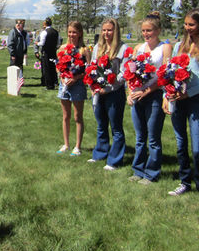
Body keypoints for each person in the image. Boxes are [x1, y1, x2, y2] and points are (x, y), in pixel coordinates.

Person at [164, 9, 199, 203]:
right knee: (181, 143)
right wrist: (167, 95)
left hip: (196, 100)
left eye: (192, 25)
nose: (188, 28)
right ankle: (184, 182)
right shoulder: (180, 46)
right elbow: (169, 73)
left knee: (197, 146)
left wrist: (191, 92)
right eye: (186, 24)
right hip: (177, 100)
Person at [126, 13, 172, 184]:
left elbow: (165, 75)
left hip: (154, 95)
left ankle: (151, 173)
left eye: (150, 30)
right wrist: (129, 93)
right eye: (144, 30)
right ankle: (138, 170)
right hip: (137, 95)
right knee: (140, 137)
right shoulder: (138, 48)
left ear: (158, 30)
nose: (146, 34)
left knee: (153, 137)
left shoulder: (165, 48)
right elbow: (130, 73)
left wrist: (147, 91)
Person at [88, 18, 129, 170]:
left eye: (109, 30)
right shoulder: (98, 47)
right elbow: (92, 67)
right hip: (98, 92)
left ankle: (115, 160)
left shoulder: (123, 48)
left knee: (116, 127)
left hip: (114, 93)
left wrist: (109, 88)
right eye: (104, 30)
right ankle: (100, 153)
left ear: (116, 31)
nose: (106, 33)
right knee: (101, 125)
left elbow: (124, 73)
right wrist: (92, 85)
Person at [57, 21, 90, 156]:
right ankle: (66, 144)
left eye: (74, 32)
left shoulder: (84, 50)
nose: (71, 34)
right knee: (66, 116)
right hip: (64, 85)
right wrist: (62, 78)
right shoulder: (63, 48)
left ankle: (77, 146)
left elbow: (88, 69)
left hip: (78, 85)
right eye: (70, 32)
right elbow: (58, 67)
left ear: (80, 33)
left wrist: (76, 78)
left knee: (77, 116)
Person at [38, 17, 59, 90]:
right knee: (53, 67)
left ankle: (49, 85)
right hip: (53, 51)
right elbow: (58, 42)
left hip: (46, 52)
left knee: (47, 69)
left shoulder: (45, 32)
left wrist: (37, 43)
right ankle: (54, 82)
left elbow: (42, 43)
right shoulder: (55, 32)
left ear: (45, 24)